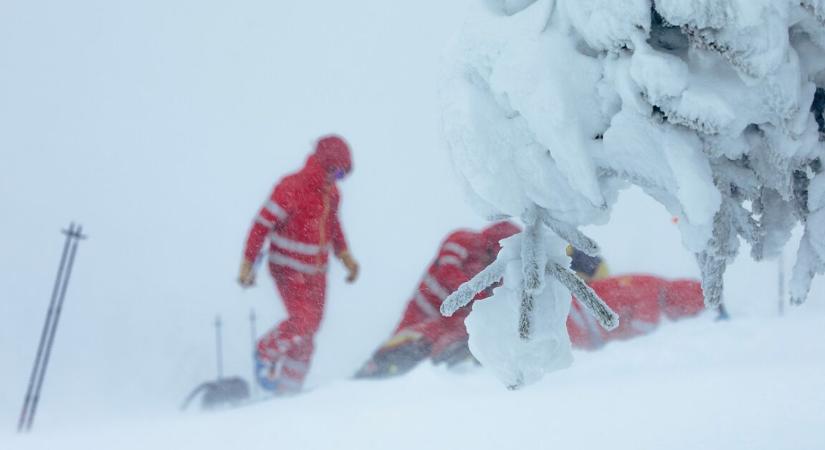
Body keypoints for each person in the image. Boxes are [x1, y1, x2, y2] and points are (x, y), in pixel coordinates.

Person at [238, 135, 359, 394]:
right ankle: (264, 352)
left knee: (309, 332)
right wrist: (248, 262)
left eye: (343, 175)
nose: (338, 180)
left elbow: (333, 227)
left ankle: (288, 390)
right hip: (287, 268)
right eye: (337, 172)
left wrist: (345, 255)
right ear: (326, 164)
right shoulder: (291, 187)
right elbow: (262, 225)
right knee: (302, 322)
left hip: (317, 273)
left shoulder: (332, 194)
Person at [356, 222, 520, 378]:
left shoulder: (498, 271)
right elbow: (447, 271)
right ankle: (372, 370)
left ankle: (453, 370)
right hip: (422, 311)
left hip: (453, 322)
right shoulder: (463, 239)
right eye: (497, 255)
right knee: (408, 342)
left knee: (459, 342)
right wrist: (477, 297)